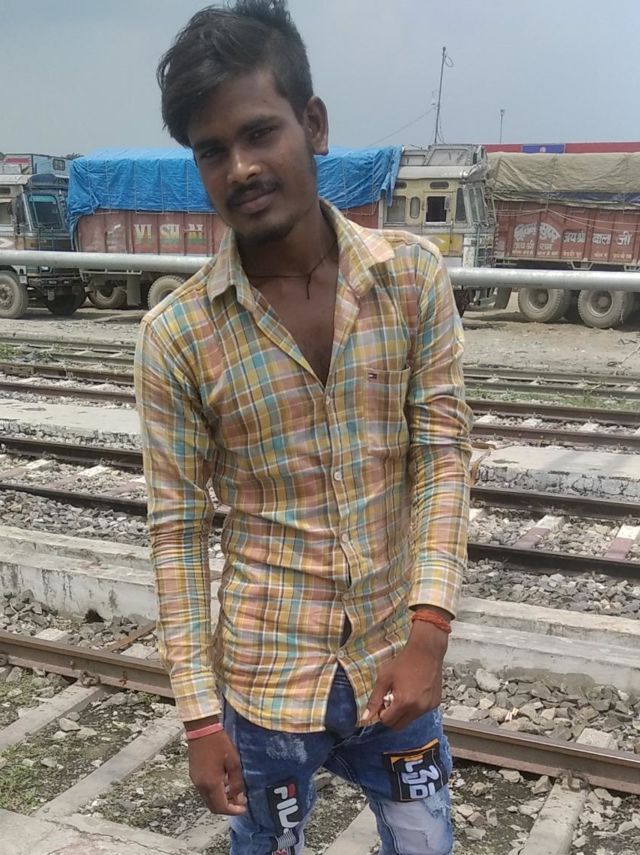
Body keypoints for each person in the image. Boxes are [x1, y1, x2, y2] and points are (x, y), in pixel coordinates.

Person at [134, 2, 472, 853]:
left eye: (259, 132)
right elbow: (177, 531)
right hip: (265, 686)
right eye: (212, 151)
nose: (241, 167)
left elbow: (441, 457)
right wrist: (198, 716)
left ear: (312, 124)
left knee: (427, 842)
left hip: (395, 663)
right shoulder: (178, 335)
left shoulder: (411, 280)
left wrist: (429, 632)